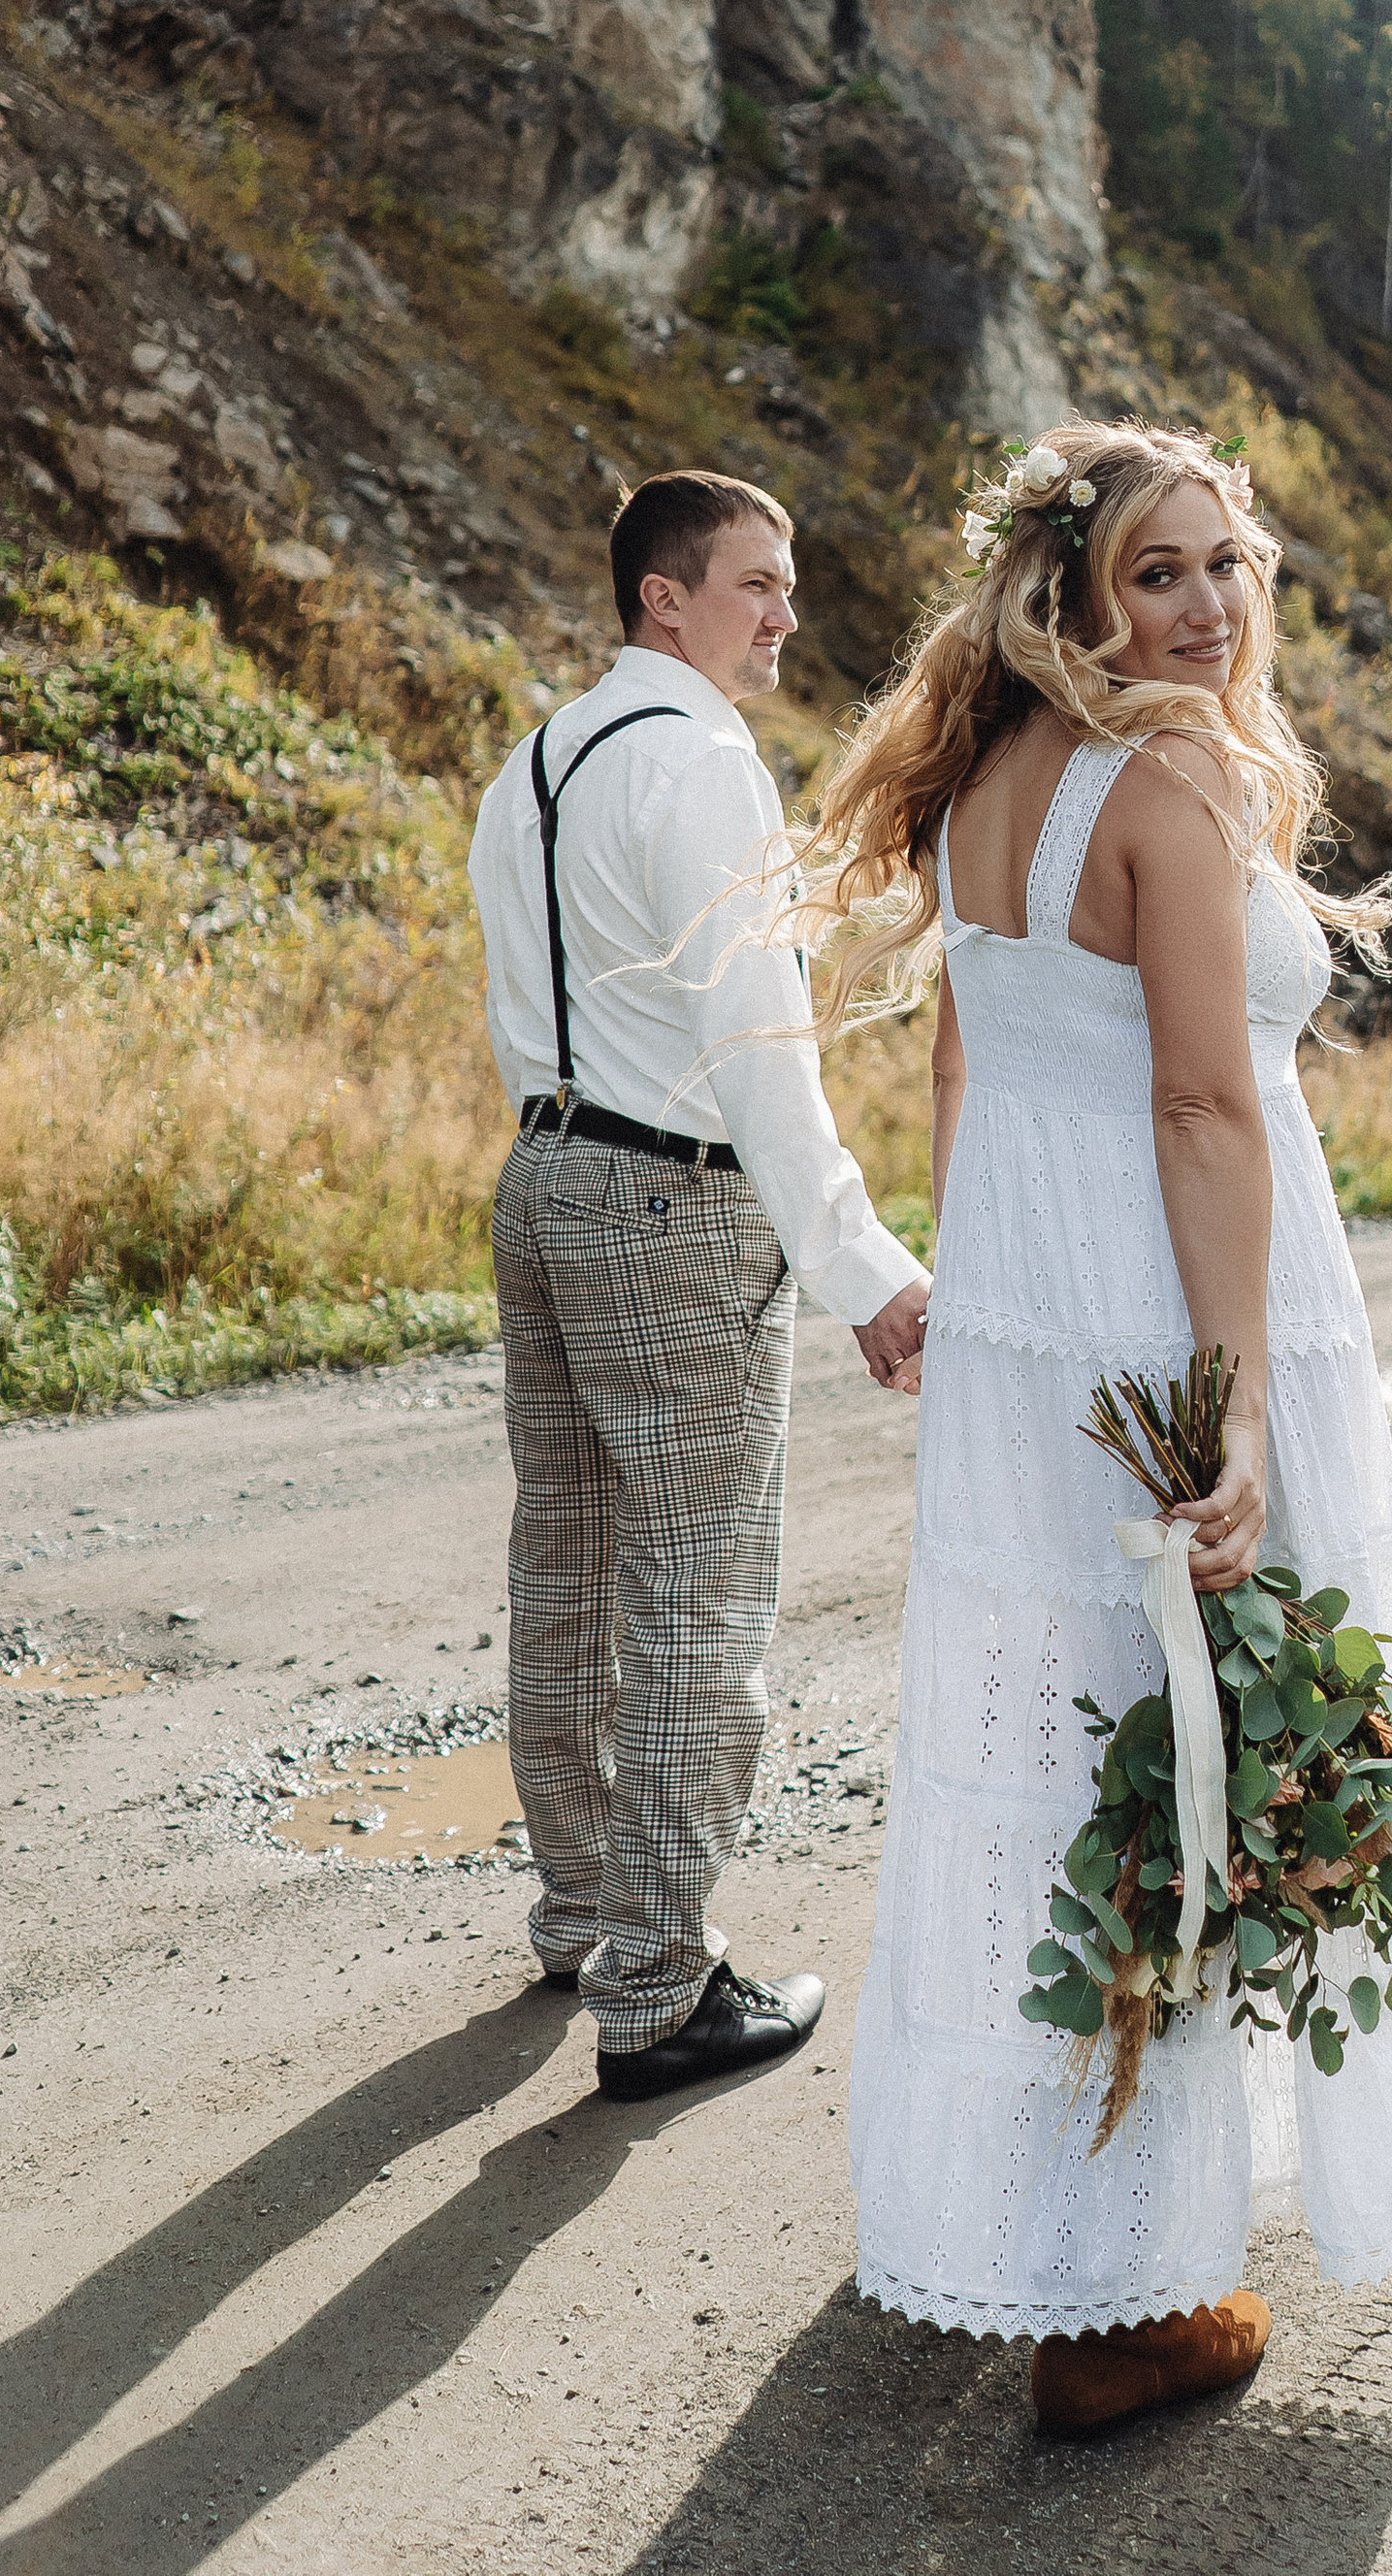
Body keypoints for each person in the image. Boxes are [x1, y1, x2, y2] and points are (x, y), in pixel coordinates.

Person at [799, 421, 1392, 2432]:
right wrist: (1238, 1408)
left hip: (1040, 1307)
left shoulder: (993, 781)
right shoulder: (1159, 774)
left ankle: (1033, 2210)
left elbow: (964, 1056)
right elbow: (1199, 1106)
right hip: (1166, 1312)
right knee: (1170, 1747)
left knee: (1077, 1732)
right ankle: (1121, 2305)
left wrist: (971, 1286)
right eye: (1155, 571)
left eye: (1224, 566)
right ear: (1070, 590)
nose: (1200, 606)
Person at [468, 468, 930, 2100]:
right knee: (697, 1587)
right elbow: (758, 1041)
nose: (786, 611)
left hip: (540, 1174)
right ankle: (660, 1987)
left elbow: (546, 1001)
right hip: (670, 1197)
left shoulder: (528, 764)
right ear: (664, 597)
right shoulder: (706, 764)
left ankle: (585, 1909)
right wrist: (861, 1261)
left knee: (568, 1564)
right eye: (757, 582)